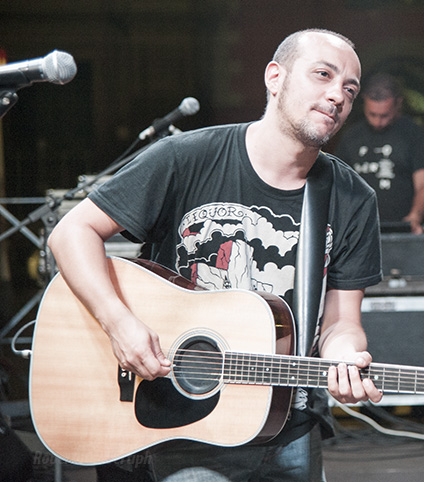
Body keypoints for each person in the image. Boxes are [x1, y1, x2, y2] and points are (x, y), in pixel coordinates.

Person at [46, 29, 383, 481]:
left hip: (283, 422)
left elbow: (342, 323)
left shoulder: (351, 198)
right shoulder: (186, 157)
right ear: (275, 77)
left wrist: (345, 360)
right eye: (322, 74)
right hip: (169, 419)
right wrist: (119, 323)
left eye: (349, 88)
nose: (336, 94)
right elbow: (72, 232)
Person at [335, 72, 424, 234]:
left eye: (384, 116)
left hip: (401, 227)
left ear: (398, 104)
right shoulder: (351, 136)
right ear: (364, 103)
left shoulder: (415, 135)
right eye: (372, 115)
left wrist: (415, 218)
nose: (377, 122)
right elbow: (340, 184)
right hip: (358, 227)